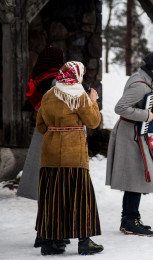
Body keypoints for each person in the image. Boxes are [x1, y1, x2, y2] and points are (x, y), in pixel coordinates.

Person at [35, 61, 104, 255]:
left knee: (53, 198)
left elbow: (40, 126)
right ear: (77, 75)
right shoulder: (79, 95)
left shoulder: (49, 95)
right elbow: (93, 121)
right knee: (80, 197)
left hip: (50, 155)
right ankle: (84, 241)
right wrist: (93, 101)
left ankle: (51, 242)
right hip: (74, 156)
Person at [106, 51, 153, 237]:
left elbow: (141, 106)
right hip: (129, 134)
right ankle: (130, 220)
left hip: (135, 133)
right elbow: (120, 108)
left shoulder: (143, 80)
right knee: (134, 177)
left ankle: (129, 218)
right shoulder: (139, 84)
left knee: (134, 177)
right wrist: (145, 115)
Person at [16, 46, 65, 248]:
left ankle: (43, 233)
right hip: (53, 135)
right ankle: (46, 234)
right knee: (52, 187)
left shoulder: (38, 78)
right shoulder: (54, 81)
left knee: (44, 186)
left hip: (41, 133)